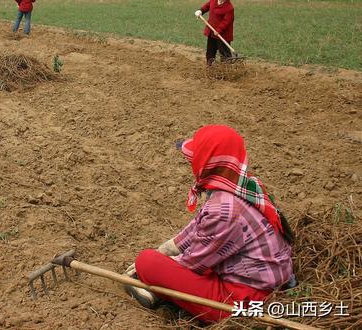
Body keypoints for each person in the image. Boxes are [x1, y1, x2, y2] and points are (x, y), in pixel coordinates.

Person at [124, 125, 294, 323]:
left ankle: (153, 288)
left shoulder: (223, 209)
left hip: (242, 303)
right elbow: (197, 227)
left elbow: (193, 263)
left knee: (147, 261)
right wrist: (165, 250)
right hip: (264, 283)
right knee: (160, 259)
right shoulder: (242, 185)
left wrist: (150, 268)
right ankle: (158, 288)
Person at [195, 0, 234, 66]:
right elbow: (207, 6)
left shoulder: (229, 8)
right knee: (210, 51)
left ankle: (226, 69)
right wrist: (201, 10)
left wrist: (219, 30)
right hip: (211, 31)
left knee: (224, 53)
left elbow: (227, 21)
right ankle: (210, 66)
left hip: (223, 34)